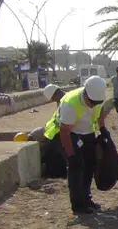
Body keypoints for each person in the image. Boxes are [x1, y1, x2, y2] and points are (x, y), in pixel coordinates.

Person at [43, 76, 108, 215]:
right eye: (91, 102)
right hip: (65, 133)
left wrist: (102, 128)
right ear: (85, 93)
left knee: (90, 163)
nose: (92, 105)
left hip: (86, 131)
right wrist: (71, 155)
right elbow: (64, 132)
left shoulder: (97, 98)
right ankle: (78, 205)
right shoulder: (70, 103)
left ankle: (86, 198)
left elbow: (100, 109)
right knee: (77, 166)